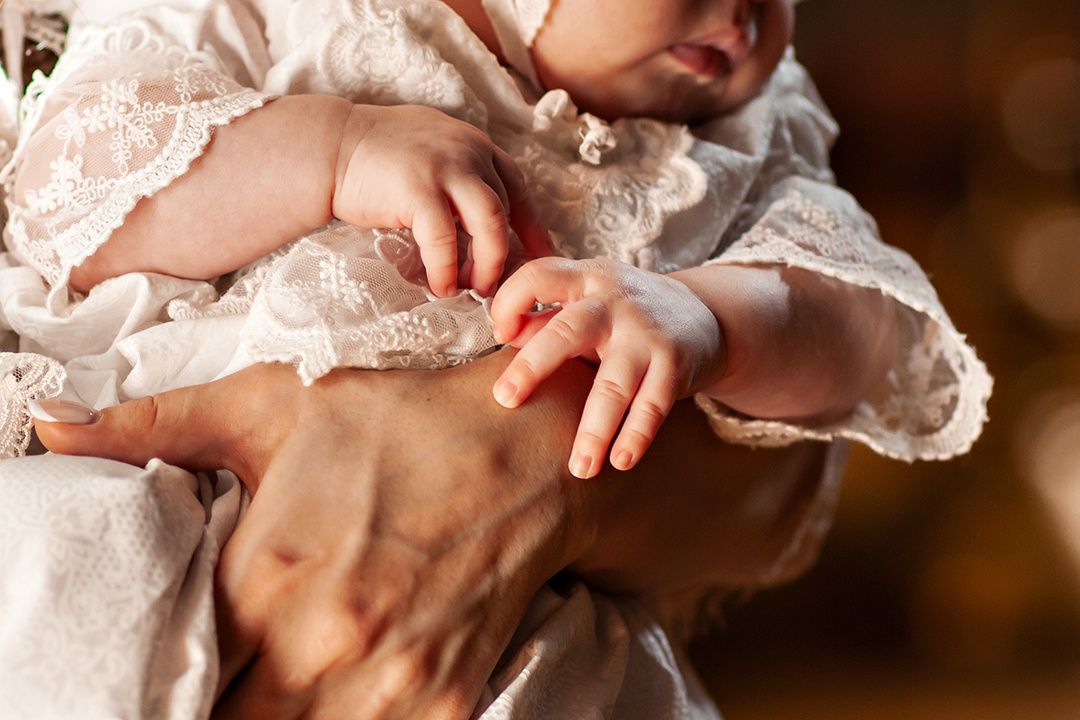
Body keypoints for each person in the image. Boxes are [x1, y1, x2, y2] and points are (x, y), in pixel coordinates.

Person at [0, 0, 992, 717]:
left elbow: (862, 319)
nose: (745, 13)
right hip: (172, 471)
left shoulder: (751, 126)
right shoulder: (284, 14)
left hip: (518, 615)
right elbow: (72, 183)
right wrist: (333, 151)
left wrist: (708, 316)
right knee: (70, 581)